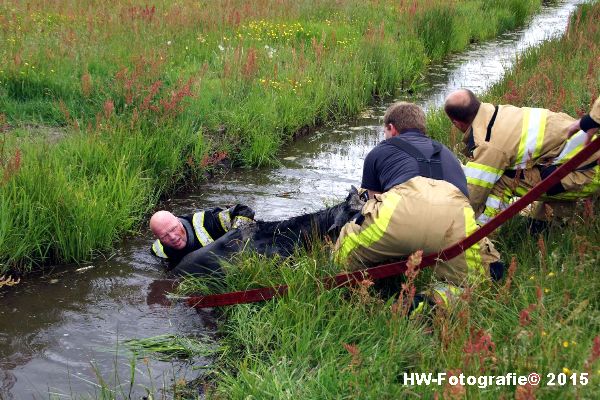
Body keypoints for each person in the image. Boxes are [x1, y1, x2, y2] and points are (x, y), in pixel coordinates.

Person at [334, 101, 503, 309]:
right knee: (470, 282)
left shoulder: (381, 151)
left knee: (346, 244)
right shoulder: (448, 155)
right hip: (455, 217)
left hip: (402, 210)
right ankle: (426, 304)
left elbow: (372, 201)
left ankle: (348, 292)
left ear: (391, 128)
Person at [444, 89, 600, 226]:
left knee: (503, 181)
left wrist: (451, 222)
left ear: (456, 123)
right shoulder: (501, 112)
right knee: (524, 172)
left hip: (587, 174)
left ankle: (482, 233)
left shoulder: (488, 143)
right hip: (584, 160)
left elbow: (473, 195)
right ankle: (545, 223)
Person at [149, 204, 255, 262]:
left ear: (179, 221)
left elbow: (244, 211)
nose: (172, 237)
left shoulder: (206, 221)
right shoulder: (158, 251)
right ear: (157, 237)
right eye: (164, 236)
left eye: (173, 229)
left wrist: (232, 237)